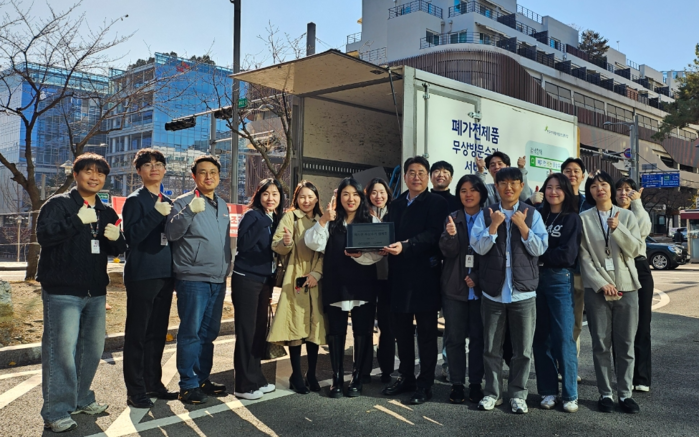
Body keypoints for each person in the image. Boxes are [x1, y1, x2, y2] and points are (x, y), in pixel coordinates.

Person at [36, 153, 126, 433]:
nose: (94, 177)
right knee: (61, 353)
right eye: (88, 171)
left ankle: (80, 398)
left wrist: (118, 239)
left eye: (100, 173)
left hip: (95, 291)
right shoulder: (58, 204)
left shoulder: (106, 211)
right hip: (62, 290)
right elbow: (44, 237)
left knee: (91, 350)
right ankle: (55, 411)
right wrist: (77, 221)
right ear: (76, 175)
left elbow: (116, 249)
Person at [470, 167, 548, 414]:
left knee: (522, 350)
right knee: (491, 348)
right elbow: (478, 247)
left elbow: (540, 248)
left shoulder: (532, 214)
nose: (509, 188)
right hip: (493, 292)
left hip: (523, 293)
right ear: (496, 186)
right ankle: (492, 393)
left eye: (514, 183)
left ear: (521, 185)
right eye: (503, 183)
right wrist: (493, 226)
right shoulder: (486, 214)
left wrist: (523, 227)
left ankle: (517, 394)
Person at [305, 178, 382, 398]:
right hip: (336, 282)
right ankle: (337, 379)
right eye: (346, 194)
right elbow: (314, 243)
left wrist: (360, 255)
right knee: (336, 331)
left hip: (363, 283)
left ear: (361, 197)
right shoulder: (332, 220)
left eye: (355, 194)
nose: (351, 199)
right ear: (339, 197)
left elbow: (378, 253)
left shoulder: (370, 221)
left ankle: (356, 379)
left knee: (362, 331)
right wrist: (323, 219)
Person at [381, 156, 449, 405]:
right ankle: (406, 377)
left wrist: (407, 245)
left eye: (421, 172)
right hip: (398, 276)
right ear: (405, 176)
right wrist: (379, 246)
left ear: (428, 176)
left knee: (427, 334)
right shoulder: (397, 204)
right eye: (411, 172)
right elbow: (386, 232)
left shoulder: (437, 203)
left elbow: (434, 234)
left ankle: (425, 384)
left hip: (425, 276)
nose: (416, 177)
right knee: (402, 332)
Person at [165, 155, 232, 405]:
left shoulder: (222, 205)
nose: (208, 176)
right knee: (191, 333)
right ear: (194, 176)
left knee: (209, 334)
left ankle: (202, 379)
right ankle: (187, 384)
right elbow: (171, 233)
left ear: (219, 176)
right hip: (193, 279)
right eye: (202, 172)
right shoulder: (183, 202)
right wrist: (189, 211)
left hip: (218, 279)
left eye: (213, 172)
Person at [579, 171, 644, 414]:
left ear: (611, 188)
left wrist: (618, 229)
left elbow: (636, 250)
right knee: (600, 343)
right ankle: (605, 393)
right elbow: (583, 256)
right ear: (590, 192)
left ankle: (625, 394)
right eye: (594, 186)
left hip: (627, 287)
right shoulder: (583, 218)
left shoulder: (626, 215)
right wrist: (600, 282)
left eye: (604, 184)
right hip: (597, 290)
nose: (599, 188)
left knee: (626, 344)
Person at [122, 149, 177, 409]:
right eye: (147, 164)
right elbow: (131, 237)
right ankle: (135, 390)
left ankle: (153, 383)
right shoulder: (135, 200)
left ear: (165, 169)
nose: (154, 168)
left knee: (157, 333)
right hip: (142, 275)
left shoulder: (168, 200)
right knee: (138, 334)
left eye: (158, 164)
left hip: (166, 275)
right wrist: (156, 213)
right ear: (139, 171)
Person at [268, 180, 326, 395]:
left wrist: (317, 274)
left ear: (317, 199)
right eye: (302, 197)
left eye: (310, 197)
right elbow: (277, 246)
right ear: (296, 199)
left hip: (316, 280)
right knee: (295, 326)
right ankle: (297, 375)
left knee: (314, 328)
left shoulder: (322, 219)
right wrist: (286, 242)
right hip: (295, 277)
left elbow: (326, 251)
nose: (306, 201)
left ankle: (312, 373)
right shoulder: (290, 217)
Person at [531, 173, 582, 413]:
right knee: (540, 338)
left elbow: (567, 255)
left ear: (566, 191)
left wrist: (540, 256)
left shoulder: (572, 218)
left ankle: (570, 394)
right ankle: (548, 391)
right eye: (549, 187)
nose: (553, 192)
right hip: (535, 280)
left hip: (560, 279)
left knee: (563, 337)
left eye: (558, 187)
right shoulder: (538, 215)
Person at [231, 178, 284, 400]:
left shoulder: (274, 218)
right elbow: (244, 244)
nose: (270, 198)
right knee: (246, 331)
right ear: (258, 195)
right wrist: (265, 221)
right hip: (246, 279)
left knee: (258, 331)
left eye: (275, 194)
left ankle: (256, 378)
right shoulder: (253, 215)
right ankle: (243, 385)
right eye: (266, 193)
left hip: (264, 280)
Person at [439, 174, 487, 404]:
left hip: (480, 290)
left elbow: (494, 254)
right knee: (455, 339)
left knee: (478, 339)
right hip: (454, 288)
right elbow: (447, 252)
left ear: (481, 193)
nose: (468, 195)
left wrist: (477, 276)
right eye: (463, 190)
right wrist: (450, 236)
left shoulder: (489, 217)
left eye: (473, 190)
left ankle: (476, 383)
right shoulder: (453, 218)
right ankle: (457, 383)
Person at [614, 178, 653, 393]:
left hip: (639, 266)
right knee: (620, 327)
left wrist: (637, 203)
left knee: (643, 325)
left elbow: (642, 231)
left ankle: (642, 377)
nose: (623, 193)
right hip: (617, 268)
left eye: (628, 190)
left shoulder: (638, 212)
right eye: (619, 190)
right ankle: (623, 376)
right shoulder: (610, 213)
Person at [362, 178, 395, 384]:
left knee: (387, 326)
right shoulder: (362, 216)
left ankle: (387, 370)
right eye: (374, 192)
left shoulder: (394, 214)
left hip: (388, 278)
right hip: (366, 276)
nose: (378, 196)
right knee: (365, 325)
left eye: (382, 192)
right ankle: (363, 369)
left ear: (387, 194)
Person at [561, 157, 592, 371]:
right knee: (554, 321)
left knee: (575, 322)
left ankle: (569, 367)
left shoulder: (588, 203)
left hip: (580, 271)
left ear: (582, 176)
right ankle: (557, 364)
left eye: (576, 171)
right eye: (568, 170)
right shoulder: (553, 200)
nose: (572, 174)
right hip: (555, 271)